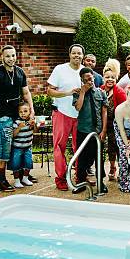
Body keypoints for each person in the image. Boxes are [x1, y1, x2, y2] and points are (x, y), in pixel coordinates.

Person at [0, 45, 35, 192]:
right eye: (7, 56)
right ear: (2, 57)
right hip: (3, 117)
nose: (11, 58)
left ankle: (20, 176)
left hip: (17, 116)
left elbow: (26, 93)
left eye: (13, 55)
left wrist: (31, 109)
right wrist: (1, 106)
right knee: (4, 149)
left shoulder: (20, 72)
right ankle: (1, 181)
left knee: (18, 146)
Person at [47, 44, 84, 191]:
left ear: (82, 56)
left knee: (80, 147)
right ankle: (61, 178)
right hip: (62, 113)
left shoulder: (85, 71)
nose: (77, 56)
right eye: (74, 53)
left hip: (80, 115)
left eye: (79, 53)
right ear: (69, 55)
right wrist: (68, 93)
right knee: (59, 147)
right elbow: (49, 91)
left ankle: (79, 176)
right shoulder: (60, 69)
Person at [72, 67, 108, 194]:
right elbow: (78, 107)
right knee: (82, 158)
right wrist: (82, 92)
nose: (89, 81)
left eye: (91, 79)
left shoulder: (101, 93)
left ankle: (101, 182)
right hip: (83, 130)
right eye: (86, 80)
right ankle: (81, 182)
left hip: (97, 131)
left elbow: (104, 112)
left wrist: (103, 130)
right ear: (82, 81)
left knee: (99, 158)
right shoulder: (78, 93)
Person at [101, 59, 127, 181]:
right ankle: (108, 168)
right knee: (104, 147)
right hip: (102, 123)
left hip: (116, 124)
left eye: (113, 77)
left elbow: (125, 111)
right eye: (107, 77)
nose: (110, 79)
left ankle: (117, 168)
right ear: (103, 78)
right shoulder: (100, 90)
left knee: (116, 146)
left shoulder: (120, 92)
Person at [9, 102, 36, 188]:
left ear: (29, 112)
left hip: (28, 147)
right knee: (16, 164)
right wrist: (19, 127)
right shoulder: (16, 122)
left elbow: (35, 131)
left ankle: (25, 178)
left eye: (25, 111)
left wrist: (34, 125)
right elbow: (13, 135)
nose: (23, 113)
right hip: (17, 147)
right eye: (21, 112)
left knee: (28, 163)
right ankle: (17, 181)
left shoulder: (31, 121)